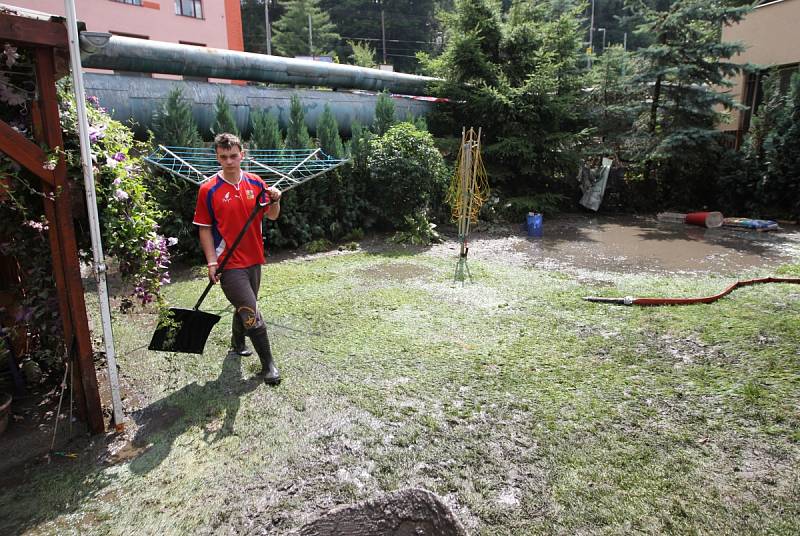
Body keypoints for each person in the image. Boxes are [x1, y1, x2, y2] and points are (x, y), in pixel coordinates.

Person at [193, 133, 282, 385]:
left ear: (242, 154)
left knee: (246, 303)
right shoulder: (208, 189)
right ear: (217, 157)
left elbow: (272, 215)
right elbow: (204, 228)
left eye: (234, 156)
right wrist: (212, 262)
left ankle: (237, 341)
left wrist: (276, 199)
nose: (229, 161)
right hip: (228, 264)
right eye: (223, 157)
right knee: (251, 310)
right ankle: (269, 366)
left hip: (254, 259)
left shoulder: (256, 183)